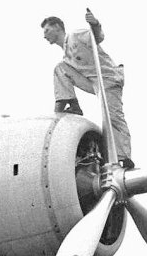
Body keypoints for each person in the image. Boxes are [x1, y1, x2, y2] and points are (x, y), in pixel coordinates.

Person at [41, 9, 133, 168]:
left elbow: (97, 37)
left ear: (57, 27)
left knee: (113, 118)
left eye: (47, 30)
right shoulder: (66, 57)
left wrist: (95, 24)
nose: (44, 35)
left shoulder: (75, 36)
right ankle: (69, 103)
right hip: (93, 83)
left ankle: (123, 157)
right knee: (60, 69)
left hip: (108, 79)